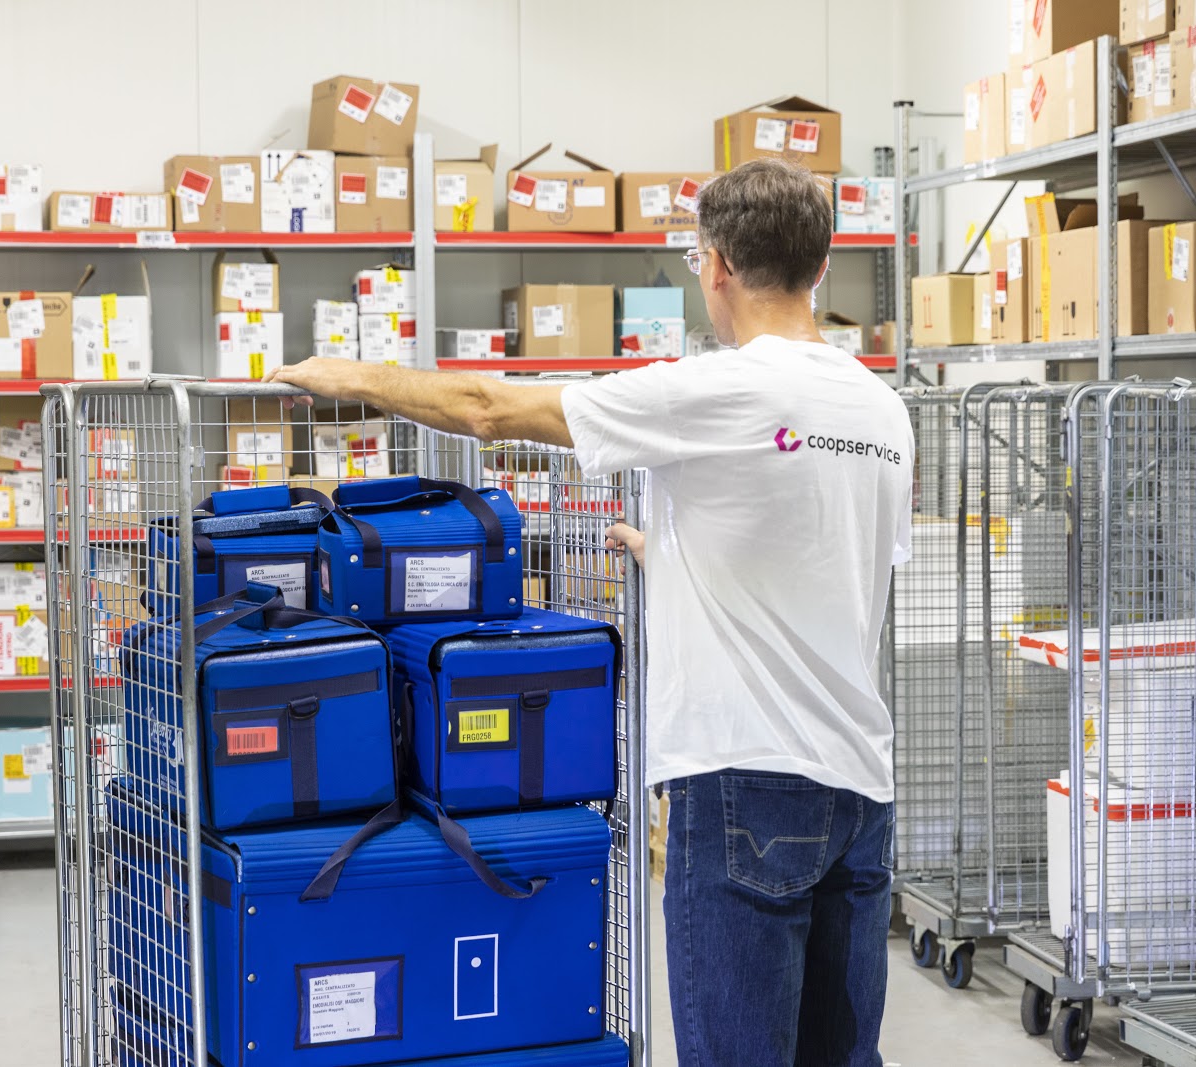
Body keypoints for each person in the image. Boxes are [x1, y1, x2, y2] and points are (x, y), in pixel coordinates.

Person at [268, 158, 914, 1066]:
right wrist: (673, 556)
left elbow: (490, 407)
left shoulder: (722, 388)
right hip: (859, 787)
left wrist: (354, 375)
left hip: (742, 780)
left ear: (716, 264)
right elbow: (824, 562)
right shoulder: (880, 406)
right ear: (822, 266)